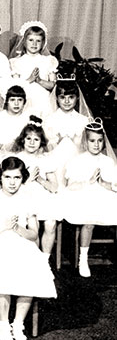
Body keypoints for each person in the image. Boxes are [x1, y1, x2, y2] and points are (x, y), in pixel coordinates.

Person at [0, 156, 57, 340]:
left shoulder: (28, 200)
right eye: (8, 177)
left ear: (23, 178)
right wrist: (3, 227)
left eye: (16, 177)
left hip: (21, 242)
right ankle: (4, 325)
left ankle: (18, 325)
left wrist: (18, 229)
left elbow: (34, 234)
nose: (12, 182)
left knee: (32, 269)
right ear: (0, 178)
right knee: (4, 269)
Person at [61, 118, 117, 277]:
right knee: (89, 219)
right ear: (85, 142)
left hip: (105, 195)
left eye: (100, 141)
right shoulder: (78, 161)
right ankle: (83, 258)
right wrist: (89, 181)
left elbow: (114, 183)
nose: (96, 144)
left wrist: (107, 185)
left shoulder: (107, 161)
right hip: (83, 195)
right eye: (92, 141)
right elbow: (71, 185)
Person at [10, 116, 60, 257]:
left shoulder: (46, 160)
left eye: (36, 139)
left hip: (42, 196)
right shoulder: (17, 158)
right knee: (34, 225)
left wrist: (39, 179)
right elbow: (9, 184)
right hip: (23, 195)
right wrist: (27, 180)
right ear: (23, 140)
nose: (32, 143)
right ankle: (34, 259)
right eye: (29, 139)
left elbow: (54, 187)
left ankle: (45, 258)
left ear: (41, 142)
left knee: (50, 223)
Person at [9, 21, 58, 118]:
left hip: (44, 100)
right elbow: (15, 86)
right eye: (31, 40)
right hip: (24, 99)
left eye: (38, 41)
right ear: (24, 41)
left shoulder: (48, 60)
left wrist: (39, 80)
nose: (34, 44)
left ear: (43, 42)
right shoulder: (16, 62)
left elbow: (52, 85)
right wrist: (29, 80)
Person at [0, 85, 32, 152]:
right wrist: (5, 148)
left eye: (20, 100)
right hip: (0, 153)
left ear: (24, 102)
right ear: (7, 101)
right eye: (12, 100)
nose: (16, 103)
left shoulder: (28, 119)